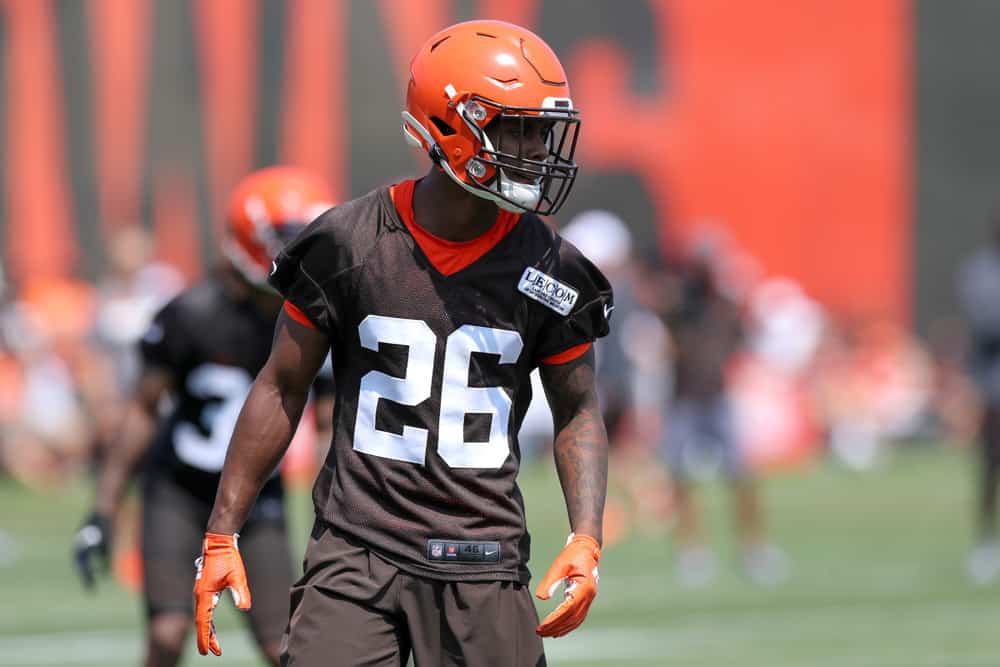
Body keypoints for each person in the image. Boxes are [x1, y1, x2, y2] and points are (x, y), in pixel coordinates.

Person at [193, 20, 613, 666]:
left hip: (484, 557)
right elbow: (282, 384)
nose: (533, 147)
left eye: (539, 130)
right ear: (448, 124)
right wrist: (222, 530)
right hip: (356, 556)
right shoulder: (348, 242)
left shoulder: (553, 269)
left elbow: (577, 409)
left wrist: (587, 535)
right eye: (514, 127)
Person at [73, 166, 336, 667]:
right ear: (250, 239)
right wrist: (103, 510)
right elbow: (142, 413)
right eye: (290, 238)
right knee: (168, 633)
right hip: (179, 492)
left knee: (286, 646)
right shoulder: (191, 314)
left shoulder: (315, 316)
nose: (304, 252)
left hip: (259, 501)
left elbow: (328, 427)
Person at [659, 240, 786, 587]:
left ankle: (753, 547)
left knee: (741, 476)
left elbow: (741, 342)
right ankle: (692, 551)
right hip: (684, 398)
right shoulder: (678, 305)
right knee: (681, 478)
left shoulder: (725, 307)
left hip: (716, 398)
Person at [957, 208, 1000, 584]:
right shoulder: (981, 271)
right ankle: (985, 542)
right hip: (994, 381)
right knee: (991, 463)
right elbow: (987, 324)